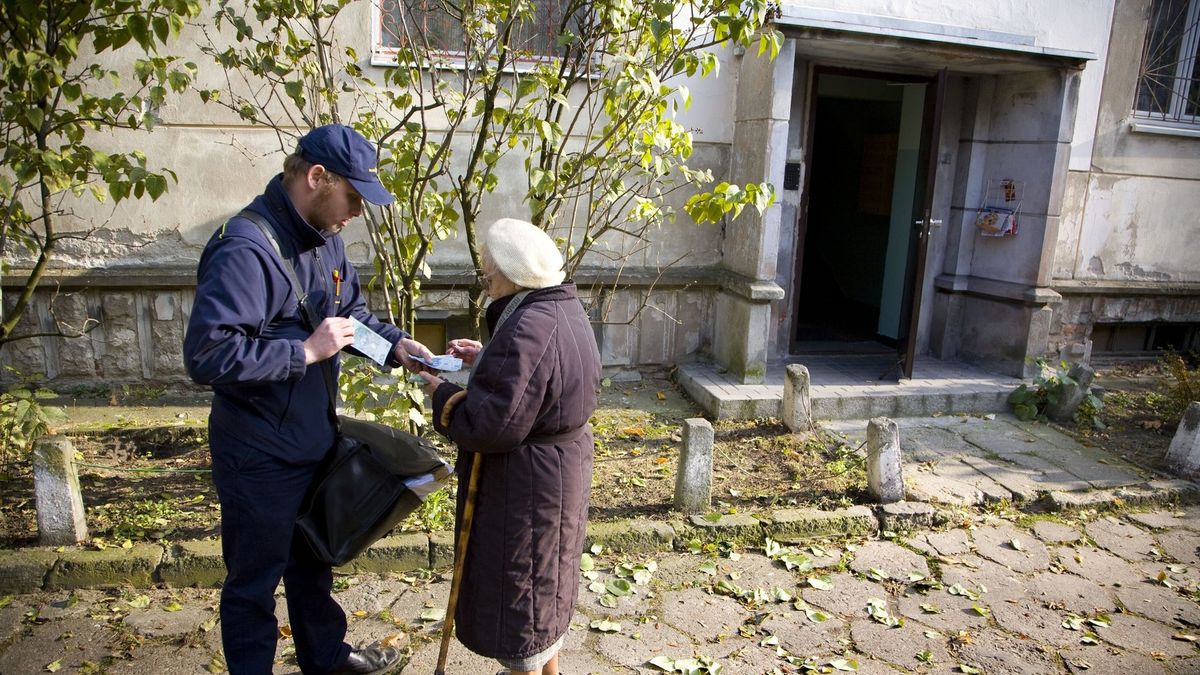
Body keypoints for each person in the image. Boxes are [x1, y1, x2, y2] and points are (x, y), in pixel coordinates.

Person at [183, 124, 432, 675]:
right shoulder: (244, 248)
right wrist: (304, 353)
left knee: (313, 566)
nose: (359, 213)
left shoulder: (326, 237)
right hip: (257, 455)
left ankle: (326, 660)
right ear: (317, 178)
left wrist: (396, 347)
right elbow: (207, 354)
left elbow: (350, 318)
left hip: (311, 441)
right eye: (354, 197)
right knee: (253, 584)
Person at [418, 218, 601, 675]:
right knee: (547, 585)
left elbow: (488, 426)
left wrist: (440, 394)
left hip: (527, 486)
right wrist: (488, 360)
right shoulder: (562, 307)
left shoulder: (527, 327)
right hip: (556, 473)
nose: (486, 282)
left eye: (488, 273)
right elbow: (543, 375)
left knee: (525, 589)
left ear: (513, 274)